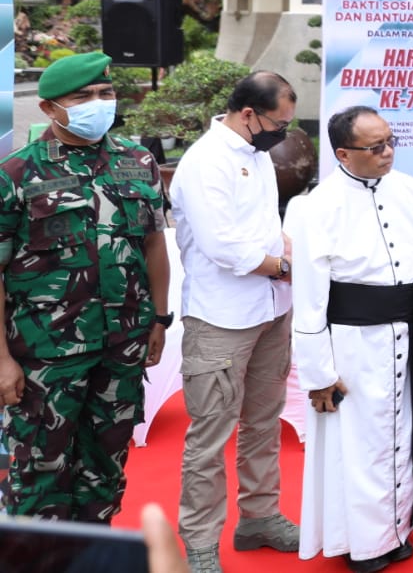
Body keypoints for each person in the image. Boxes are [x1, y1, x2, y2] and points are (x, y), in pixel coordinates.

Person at [285, 106, 413, 571]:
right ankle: (363, 542)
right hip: (353, 343)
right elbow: (309, 297)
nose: (388, 153)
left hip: (410, 332)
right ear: (343, 153)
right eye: (375, 147)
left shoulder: (409, 189)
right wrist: (319, 374)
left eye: (390, 142)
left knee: (405, 429)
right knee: (361, 445)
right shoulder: (317, 206)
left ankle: (398, 528)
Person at [0, 51, 171, 521]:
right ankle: (37, 554)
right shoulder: (16, 173)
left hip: (123, 345)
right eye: (83, 96)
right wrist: (2, 360)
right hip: (45, 354)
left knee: (105, 468)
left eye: (105, 93)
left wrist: (159, 318)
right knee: (39, 472)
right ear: (50, 108)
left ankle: (95, 549)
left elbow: (153, 243)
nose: (99, 102)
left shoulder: (137, 160)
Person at [170, 71, 300, 569]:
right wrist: (285, 268)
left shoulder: (256, 153)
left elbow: (264, 226)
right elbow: (222, 245)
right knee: (210, 437)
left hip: (270, 310)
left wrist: (290, 251)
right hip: (221, 318)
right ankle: (200, 544)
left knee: (263, 424)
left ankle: (260, 517)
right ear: (248, 114)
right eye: (278, 124)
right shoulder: (206, 161)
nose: (281, 134)